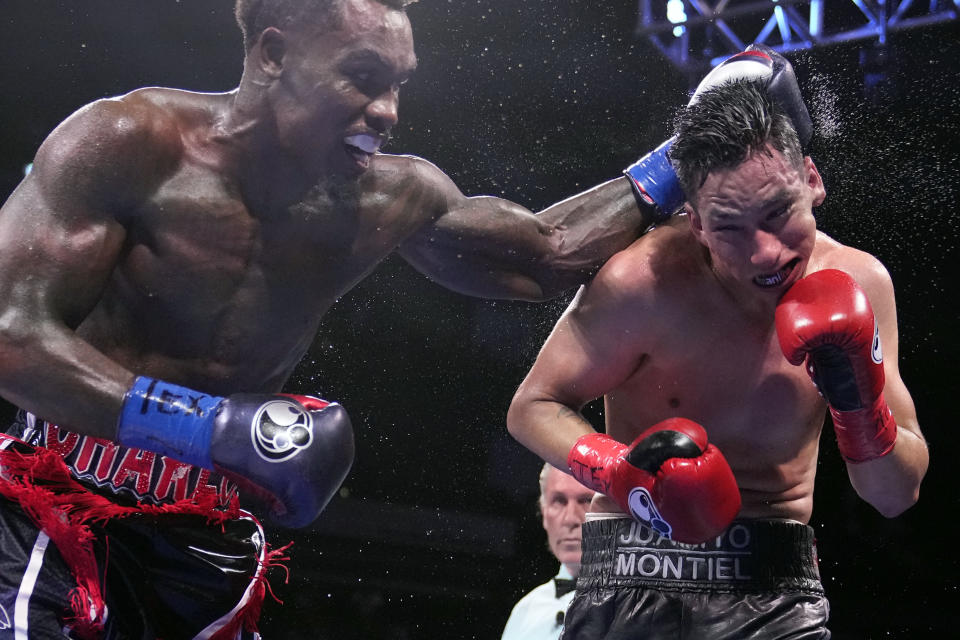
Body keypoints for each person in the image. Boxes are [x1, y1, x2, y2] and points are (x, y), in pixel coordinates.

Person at [0, 0, 724, 637]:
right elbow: (9, 333)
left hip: (207, 532)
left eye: (398, 84)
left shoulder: (388, 197)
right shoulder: (131, 143)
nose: (388, 111)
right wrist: (205, 426)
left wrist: (690, 148)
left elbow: (548, 254)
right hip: (52, 501)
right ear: (274, 53)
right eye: (363, 76)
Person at [506, 75, 929, 637]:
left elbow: (895, 496)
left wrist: (860, 409)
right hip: (634, 574)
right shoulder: (643, 281)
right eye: (730, 228)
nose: (766, 252)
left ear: (811, 180)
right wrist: (622, 472)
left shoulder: (860, 283)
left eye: (778, 213)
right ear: (697, 223)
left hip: (774, 592)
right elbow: (531, 406)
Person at [501, 463, 593, 640]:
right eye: (559, 501)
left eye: (586, 500)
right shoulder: (525, 610)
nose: (570, 519)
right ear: (544, 513)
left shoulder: (635, 604)